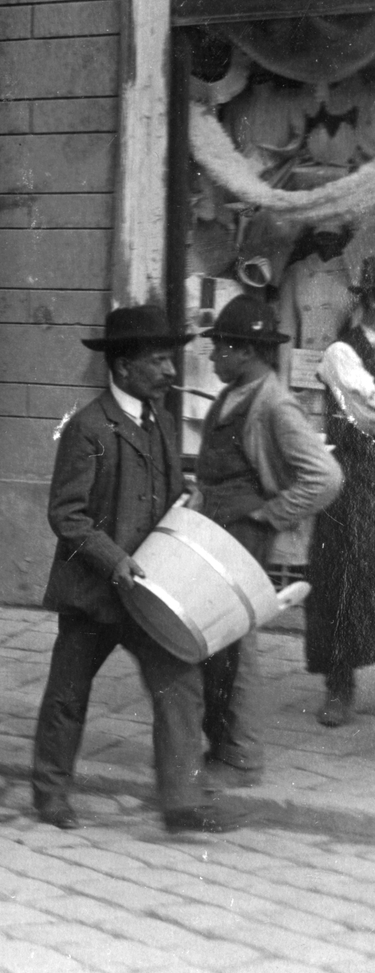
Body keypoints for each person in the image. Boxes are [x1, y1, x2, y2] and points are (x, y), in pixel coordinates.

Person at [30, 305, 247, 834]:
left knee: (180, 683)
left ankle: (180, 801)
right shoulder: (87, 428)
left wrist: (186, 499)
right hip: (93, 592)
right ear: (124, 367)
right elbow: (67, 514)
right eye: (159, 361)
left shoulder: (163, 423)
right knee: (68, 694)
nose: (172, 372)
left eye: (170, 360)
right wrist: (114, 559)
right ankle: (51, 793)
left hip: (151, 593)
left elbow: (164, 497)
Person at [192, 296, 341, 780]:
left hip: (244, 537)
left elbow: (325, 477)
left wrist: (272, 513)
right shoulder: (234, 392)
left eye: (219, 349)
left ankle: (242, 756)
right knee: (212, 644)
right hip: (216, 531)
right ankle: (222, 748)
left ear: (244, 351)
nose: (213, 358)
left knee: (235, 646)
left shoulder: (274, 404)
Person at [308, 257, 375, 726]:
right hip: (353, 480)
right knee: (343, 574)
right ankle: (339, 684)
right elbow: (368, 410)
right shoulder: (341, 354)